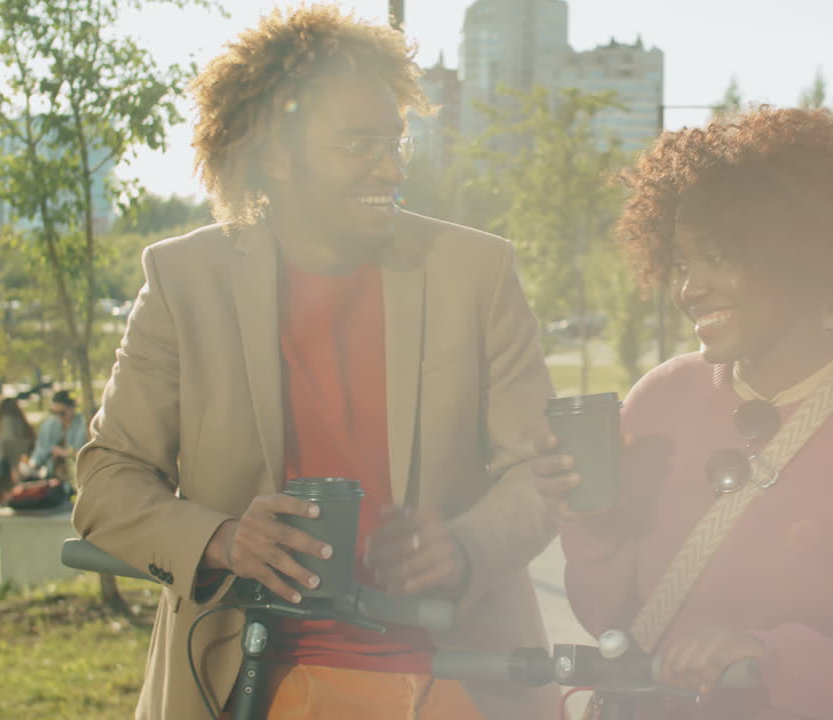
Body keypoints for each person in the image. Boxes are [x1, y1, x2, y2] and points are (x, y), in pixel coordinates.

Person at [71, 6, 558, 719]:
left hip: (458, 672)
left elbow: (541, 470)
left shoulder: (476, 271)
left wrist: (464, 546)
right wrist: (224, 539)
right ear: (275, 155)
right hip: (248, 674)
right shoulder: (184, 280)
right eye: (358, 145)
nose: (390, 167)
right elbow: (106, 480)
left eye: (394, 142)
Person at [535, 107, 833, 719]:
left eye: (718, 257)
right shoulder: (657, 399)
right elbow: (612, 620)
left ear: (799, 252)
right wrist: (591, 523)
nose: (690, 288)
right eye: (683, 263)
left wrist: (767, 660)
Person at [30, 389, 87, 482]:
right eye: (54, 412)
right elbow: (38, 454)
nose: (58, 417)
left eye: (62, 413)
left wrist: (64, 453)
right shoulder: (48, 425)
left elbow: (85, 455)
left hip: (78, 476)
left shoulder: (83, 424)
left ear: (72, 408)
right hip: (51, 476)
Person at [0, 396, 34, 503]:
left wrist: (14, 467)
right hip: (24, 463)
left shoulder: (6, 422)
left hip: (10, 468)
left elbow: (10, 445)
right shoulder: (21, 421)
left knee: (14, 499)